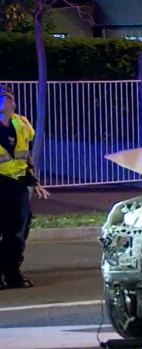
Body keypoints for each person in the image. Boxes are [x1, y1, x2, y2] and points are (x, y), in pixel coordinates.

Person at [0, 85, 50, 290]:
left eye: (5, 97)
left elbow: (25, 155)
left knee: (18, 233)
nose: (2, 101)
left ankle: (12, 273)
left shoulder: (22, 124)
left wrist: (34, 181)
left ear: (13, 103)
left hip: (17, 184)